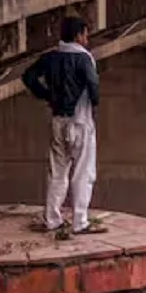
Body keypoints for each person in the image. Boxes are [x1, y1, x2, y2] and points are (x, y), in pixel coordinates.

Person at [21, 15, 107, 234]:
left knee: (57, 172)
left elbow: (29, 77)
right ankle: (80, 222)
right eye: (85, 34)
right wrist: (94, 102)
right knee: (83, 172)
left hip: (58, 120)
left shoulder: (51, 57)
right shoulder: (84, 58)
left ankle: (52, 219)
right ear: (78, 35)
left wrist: (46, 95)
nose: (87, 38)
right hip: (80, 122)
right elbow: (93, 84)